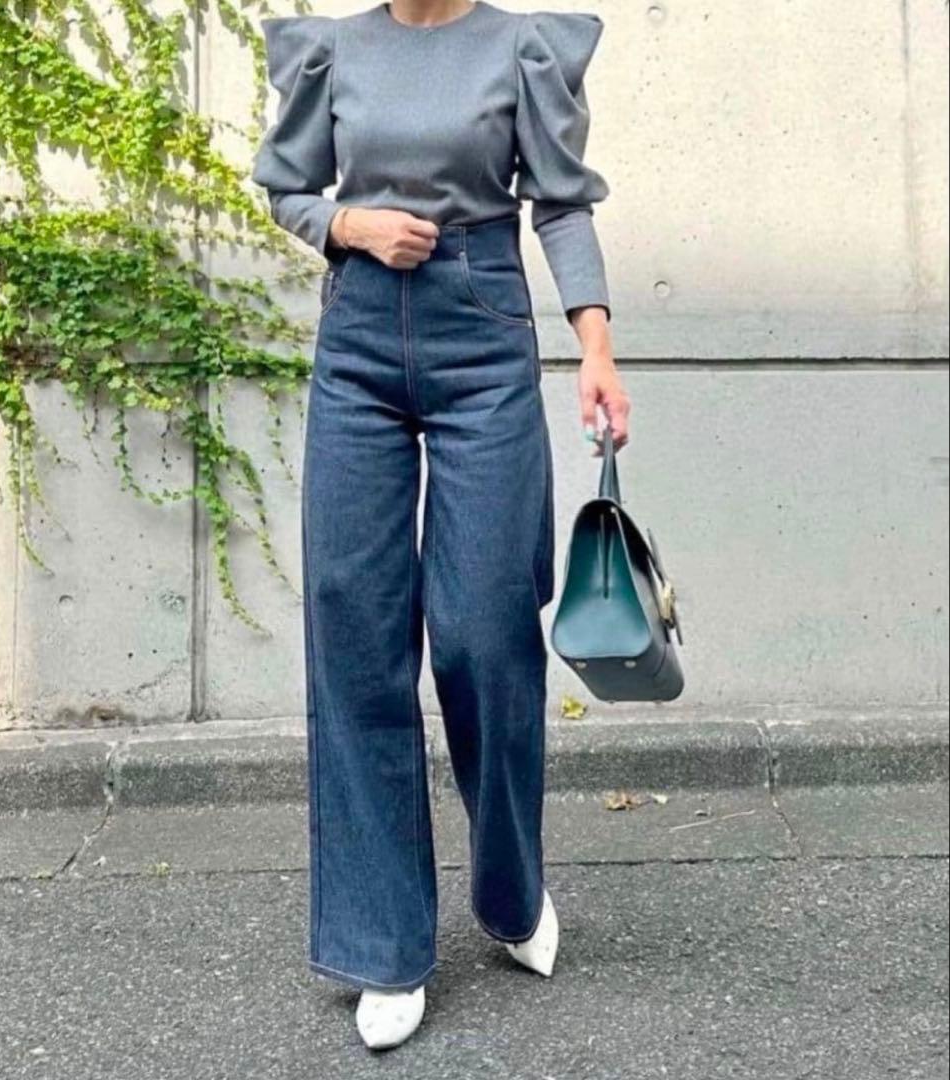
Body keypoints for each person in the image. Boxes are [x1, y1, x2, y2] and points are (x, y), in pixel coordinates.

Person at [251, 0, 631, 1051]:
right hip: (359, 344)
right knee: (356, 633)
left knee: (484, 630)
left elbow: (560, 204)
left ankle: (510, 886)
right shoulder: (335, 49)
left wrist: (595, 351)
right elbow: (285, 187)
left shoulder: (519, 47)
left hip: (483, 336)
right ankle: (382, 945)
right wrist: (346, 225)